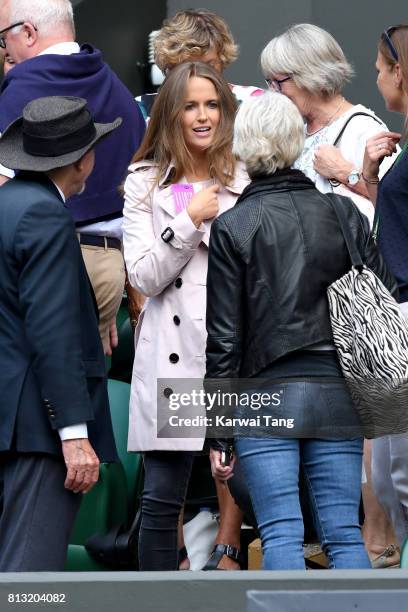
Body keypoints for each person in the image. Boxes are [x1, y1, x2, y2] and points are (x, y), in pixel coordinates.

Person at [205, 91, 397, 570]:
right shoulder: (344, 213)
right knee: (344, 535)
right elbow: (386, 293)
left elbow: (225, 338)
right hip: (339, 389)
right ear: (298, 143)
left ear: (243, 148)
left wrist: (219, 431)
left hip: (265, 393)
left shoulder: (233, 225)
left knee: (281, 535)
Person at [261, 22, 400, 567]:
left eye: (279, 82)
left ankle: (378, 541)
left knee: (370, 432)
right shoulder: (296, 131)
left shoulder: (363, 129)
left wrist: (346, 176)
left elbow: (386, 227)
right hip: (308, 308)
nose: (274, 94)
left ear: (309, 78)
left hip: (357, 309)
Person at [133, 8, 261, 571]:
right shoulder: (145, 182)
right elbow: (141, 275)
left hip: (234, 356)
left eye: (212, 104)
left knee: (258, 492)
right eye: (190, 106)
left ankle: (230, 559)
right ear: (172, 114)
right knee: (161, 503)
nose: (203, 116)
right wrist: (188, 222)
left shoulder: (247, 178)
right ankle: (152, 602)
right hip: (173, 357)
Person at [0, 95, 120, 571]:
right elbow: (52, 331)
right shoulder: (43, 214)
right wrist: (73, 433)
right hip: (36, 431)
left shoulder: (8, 204)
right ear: (83, 159)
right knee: (30, 587)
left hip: (14, 425)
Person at [0, 0, 145, 354]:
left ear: (28, 33)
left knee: (36, 388)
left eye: (3, 39)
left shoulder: (21, 90)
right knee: (88, 385)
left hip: (44, 264)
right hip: (111, 264)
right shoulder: (116, 87)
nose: (5, 50)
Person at [361, 23, 408, 550]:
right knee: (391, 472)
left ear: (399, 71)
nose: (376, 79)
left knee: (399, 472)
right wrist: (372, 179)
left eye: (379, 68)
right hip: (396, 311)